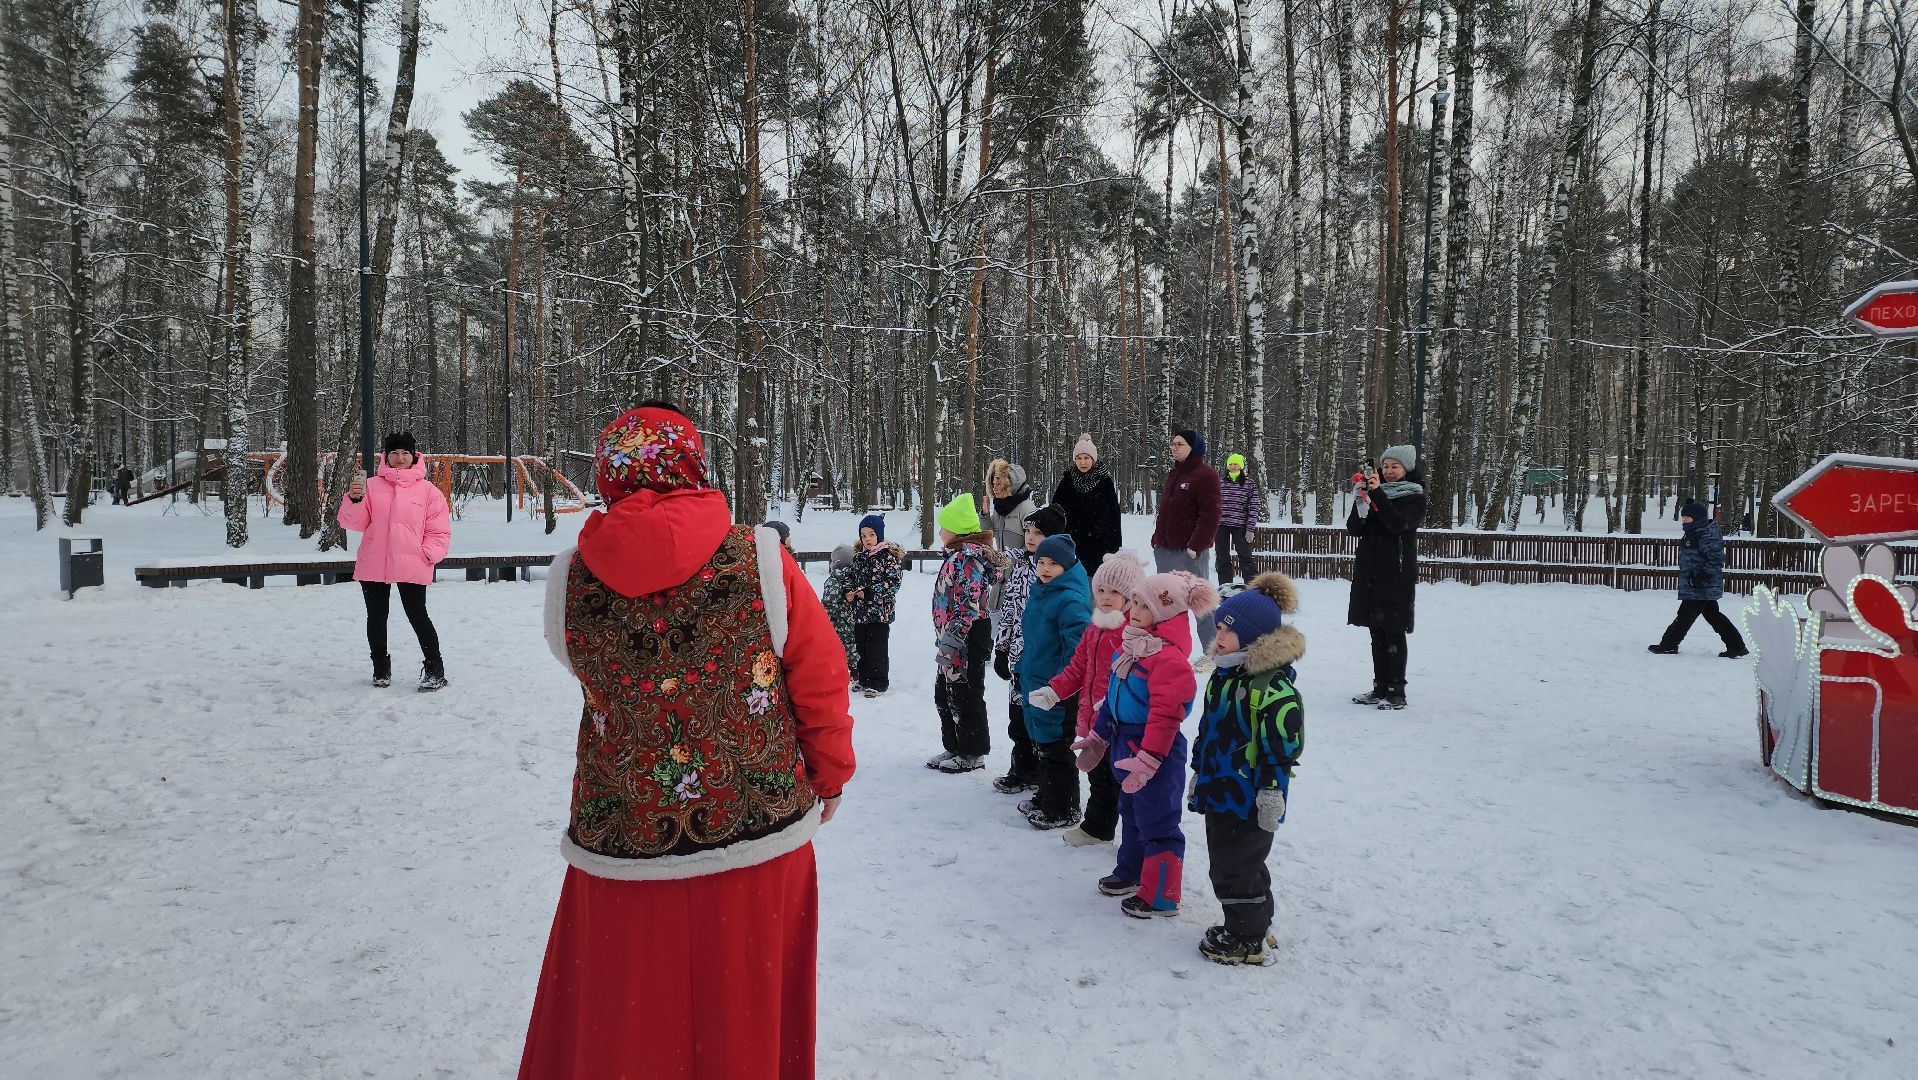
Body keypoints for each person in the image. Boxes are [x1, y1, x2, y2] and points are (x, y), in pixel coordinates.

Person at [520, 402, 855, 1080]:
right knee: (748, 1002)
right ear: (692, 465)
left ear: (610, 473)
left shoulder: (570, 577)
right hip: (756, 822)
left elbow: (579, 666)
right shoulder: (759, 557)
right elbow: (819, 676)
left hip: (624, 830)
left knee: (629, 1012)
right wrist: (830, 773)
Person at [1077, 570, 1217, 919]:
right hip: (1126, 745)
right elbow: (1113, 697)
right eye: (1135, 602)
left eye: (1145, 605)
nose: (1135, 609)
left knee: (1158, 821)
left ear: (1167, 612)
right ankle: (1132, 871)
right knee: (1132, 812)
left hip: (1157, 751)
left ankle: (1162, 893)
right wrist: (1099, 736)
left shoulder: (1169, 660)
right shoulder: (1131, 648)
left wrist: (1149, 758)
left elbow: (1166, 716)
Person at [1193, 572, 1306, 965]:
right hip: (1220, 788)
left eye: (1230, 630)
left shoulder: (1273, 691)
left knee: (1233, 868)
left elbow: (1282, 749)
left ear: (1257, 638)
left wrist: (1272, 792)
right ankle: (1257, 921)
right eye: (1219, 625)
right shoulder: (1223, 676)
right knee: (1242, 862)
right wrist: (1197, 771)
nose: (1219, 634)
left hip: (1250, 797)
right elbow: (1207, 730)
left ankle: (1246, 938)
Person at [1032, 550, 1150, 848]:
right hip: (1094, 721)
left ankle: (1137, 839)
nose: (1106, 597)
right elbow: (1077, 668)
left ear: (1131, 598)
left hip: (1123, 723)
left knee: (1121, 781)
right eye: (1100, 590)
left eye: (1115, 592)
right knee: (1098, 778)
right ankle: (1098, 828)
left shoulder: (1135, 634)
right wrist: (1054, 690)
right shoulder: (1094, 627)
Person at [338, 431, 450, 691]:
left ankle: (435, 670)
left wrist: (428, 554)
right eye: (394, 453)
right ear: (386, 457)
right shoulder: (372, 486)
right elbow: (353, 523)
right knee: (376, 617)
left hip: (413, 562)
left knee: (417, 615)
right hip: (374, 561)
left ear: (414, 457)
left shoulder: (428, 491)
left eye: (405, 453)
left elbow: (439, 530)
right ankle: (380, 669)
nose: (400, 458)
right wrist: (355, 500)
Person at [990, 504, 1071, 795]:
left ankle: (1043, 775)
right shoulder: (1022, 566)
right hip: (1017, 660)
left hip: (1042, 662)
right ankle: (1022, 768)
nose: (1030, 537)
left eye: (1038, 532)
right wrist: (1001, 648)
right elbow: (1009, 609)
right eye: (1027, 530)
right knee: (1018, 717)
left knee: (1040, 720)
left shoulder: (1054, 573)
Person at [1013, 534, 1092, 829]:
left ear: (1067, 566)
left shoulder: (1069, 600)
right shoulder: (1041, 591)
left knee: (1057, 749)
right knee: (1042, 745)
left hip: (1058, 689)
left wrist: (1060, 685)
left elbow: (1077, 651)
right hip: (1036, 682)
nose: (1045, 568)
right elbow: (1034, 640)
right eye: (1041, 562)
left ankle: (1063, 807)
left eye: (1053, 563)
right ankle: (1047, 795)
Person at [929, 493, 1007, 774]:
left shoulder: (967, 560)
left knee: (966, 693)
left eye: (943, 526)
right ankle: (955, 745)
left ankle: (972, 752)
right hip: (952, 636)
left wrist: (954, 639)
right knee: (945, 692)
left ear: (957, 530)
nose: (940, 531)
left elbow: (968, 606)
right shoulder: (956, 557)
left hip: (966, 636)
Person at [1347, 444, 1426, 711]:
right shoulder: (1373, 494)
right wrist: (1360, 502)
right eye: (1387, 466)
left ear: (1407, 469)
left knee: (1393, 633)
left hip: (1396, 574)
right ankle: (1380, 686)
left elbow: (1397, 524)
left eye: (1396, 466)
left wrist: (1378, 495)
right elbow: (1354, 530)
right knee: (1376, 632)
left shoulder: (1414, 497)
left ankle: (1396, 691)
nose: (1390, 471)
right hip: (1370, 571)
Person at [1150, 428, 1222, 652]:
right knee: (1167, 602)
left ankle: (1212, 651)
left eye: (1180, 444)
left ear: (1194, 448)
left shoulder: (1206, 475)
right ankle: (1170, 648)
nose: (1174, 447)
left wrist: (1195, 546)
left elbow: (1211, 514)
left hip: (1190, 553)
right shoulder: (1174, 474)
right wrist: (1157, 540)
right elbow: (1166, 511)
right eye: (1173, 443)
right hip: (1165, 550)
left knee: (1201, 603)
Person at [1650, 500, 1750, 659]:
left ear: (1697, 518)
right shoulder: (1696, 532)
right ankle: (1737, 646)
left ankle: (1668, 645)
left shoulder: (1705, 534)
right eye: (1683, 518)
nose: (1684, 521)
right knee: (1713, 616)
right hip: (1698, 585)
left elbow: (1716, 559)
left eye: (1687, 518)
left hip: (1701, 585)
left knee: (1685, 616)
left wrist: (1701, 577)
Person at [845, 514, 903, 697]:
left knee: (876, 648)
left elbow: (893, 583)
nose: (867, 539)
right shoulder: (859, 558)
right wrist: (847, 590)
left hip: (879, 613)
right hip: (860, 613)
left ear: (879, 534)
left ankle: (877, 682)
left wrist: (870, 592)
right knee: (861, 647)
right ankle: (863, 679)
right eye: (863, 535)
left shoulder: (888, 557)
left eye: (871, 534)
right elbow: (850, 577)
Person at [1051, 435, 1124, 574]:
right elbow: (1055, 514)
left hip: (1099, 546)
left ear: (1093, 459)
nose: (1082, 462)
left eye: (1086, 458)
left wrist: (1115, 549)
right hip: (1071, 545)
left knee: (1095, 589)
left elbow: (1114, 518)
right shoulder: (1067, 482)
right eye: (1078, 458)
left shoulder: (1104, 483)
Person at [1216, 453, 1262, 589]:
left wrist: (1250, 528)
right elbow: (1213, 503)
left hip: (1240, 526)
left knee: (1246, 558)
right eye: (1230, 464)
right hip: (1221, 526)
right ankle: (1225, 588)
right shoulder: (1220, 482)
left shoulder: (1249, 483)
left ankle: (1254, 588)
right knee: (1222, 558)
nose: (1233, 466)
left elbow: (1254, 506)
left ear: (1241, 466)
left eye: (1236, 464)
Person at [823, 544, 861, 680]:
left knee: (842, 646)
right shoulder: (854, 578)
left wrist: (825, 618)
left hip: (838, 622)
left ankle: (844, 670)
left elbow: (829, 603)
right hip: (852, 620)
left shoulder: (833, 580)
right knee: (853, 644)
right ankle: (856, 669)